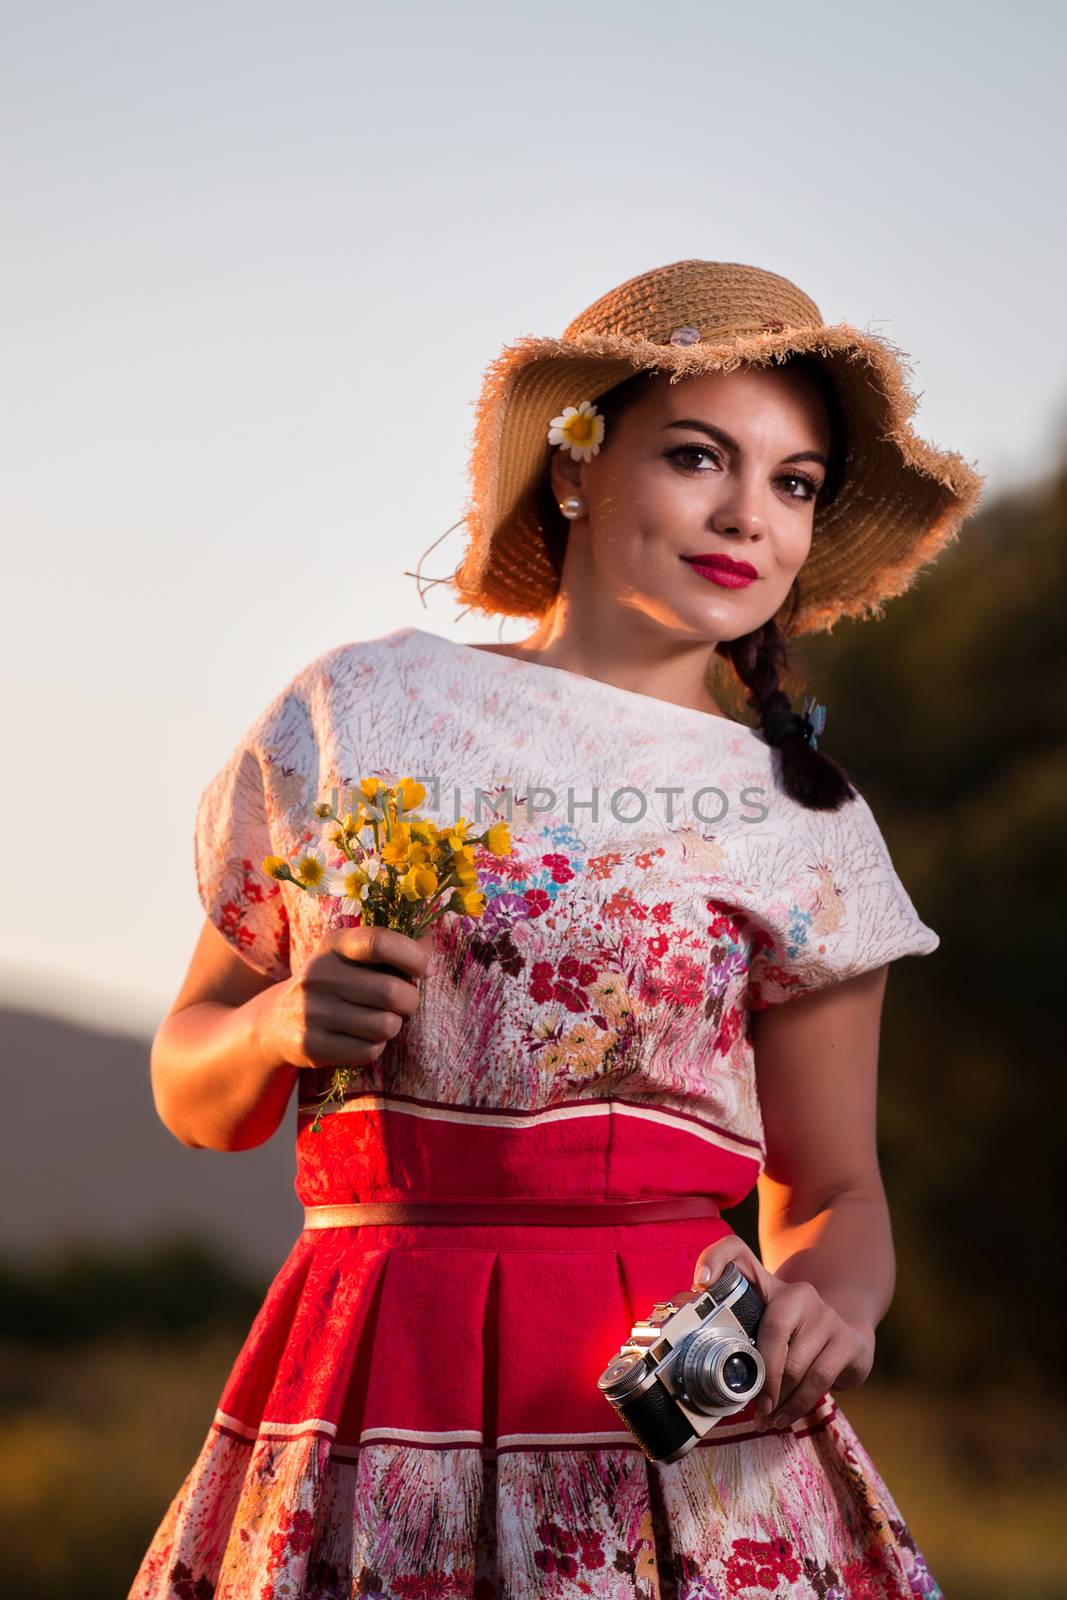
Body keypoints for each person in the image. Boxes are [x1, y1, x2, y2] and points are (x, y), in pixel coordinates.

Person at [130, 259, 984, 1599]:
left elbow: (832, 1196)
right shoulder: (356, 713)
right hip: (363, 1387)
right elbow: (193, 1083)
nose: (746, 516)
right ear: (576, 465)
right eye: (699, 457)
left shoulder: (806, 819)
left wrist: (837, 1302)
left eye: (793, 482)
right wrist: (278, 1025)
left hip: (668, 1438)